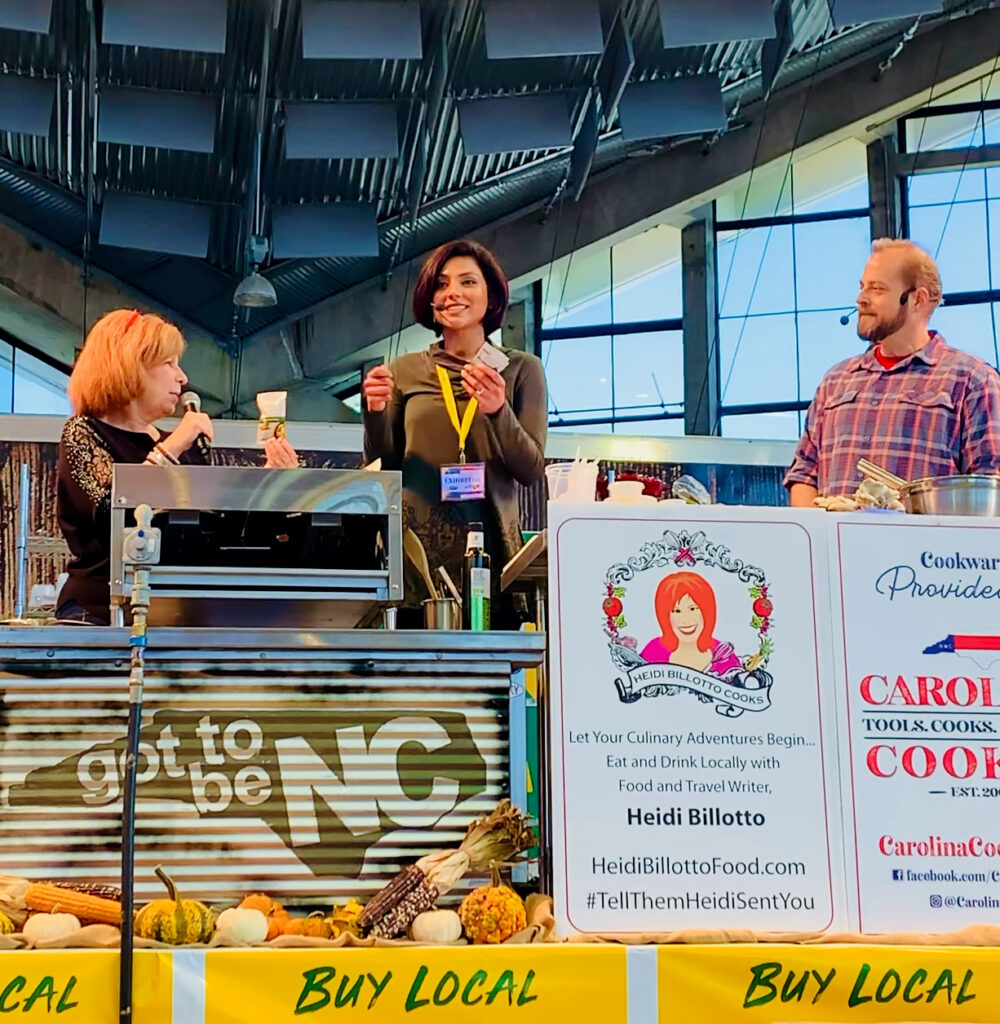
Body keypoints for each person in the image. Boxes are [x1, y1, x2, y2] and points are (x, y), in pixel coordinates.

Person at [56, 308, 298, 625]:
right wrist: (173, 447)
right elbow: (115, 518)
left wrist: (273, 488)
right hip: (101, 614)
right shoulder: (83, 433)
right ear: (130, 366)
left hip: (180, 614)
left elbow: (218, 535)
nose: (182, 378)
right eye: (169, 364)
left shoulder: (188, 446)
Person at [362, 239, 547, 627]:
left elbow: (530, 471)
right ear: (430, 299)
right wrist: (375, 413)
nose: (453, 294)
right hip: (417, 570)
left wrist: (498, 411)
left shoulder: (520, 370)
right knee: (418, 687)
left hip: (495, 561)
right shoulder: (406, 370)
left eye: (468, 282)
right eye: (442, 284)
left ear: (491, 296)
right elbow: (385, 467)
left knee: (490, 687)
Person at [786, 238, 1000, 506]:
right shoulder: (835, 382)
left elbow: (990, 485)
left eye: (877, 288)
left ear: (917, 299)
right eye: (862, 286)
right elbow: (805, 473)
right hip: (838, 547)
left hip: (923, 548)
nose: (861, 298)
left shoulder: (972, 380)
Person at [641, 571, 740, 675]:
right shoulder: (654, 651)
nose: (686, 620)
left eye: (692, 609)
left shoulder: (724, 655)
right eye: (677, 611)